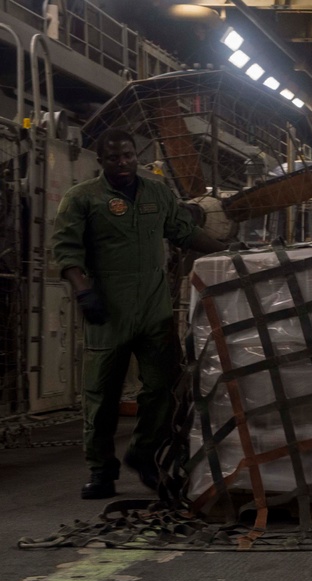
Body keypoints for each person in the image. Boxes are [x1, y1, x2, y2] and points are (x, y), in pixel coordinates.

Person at [52, 128, 228, 499]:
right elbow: (66, 250)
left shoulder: (157, 193)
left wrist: (231, 253)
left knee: (163, 388)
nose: (124, 163)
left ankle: (143, 454)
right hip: (108, 311)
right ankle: (101, 472)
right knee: (101, 397)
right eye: (115, 157)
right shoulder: (82, 198)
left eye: (129, 155)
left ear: (136, 155)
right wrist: (84, 292)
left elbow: (184, 231)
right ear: (101, 160)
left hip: (154, 310)